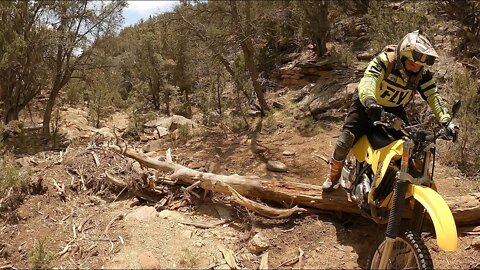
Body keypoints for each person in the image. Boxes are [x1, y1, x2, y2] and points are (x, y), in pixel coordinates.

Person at [322, 30, 460, 192]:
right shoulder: (384, 61)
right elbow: (368, 80)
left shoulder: (422, 75)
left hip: (395, 110)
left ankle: (396, 187)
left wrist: (446, 121)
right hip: (366, 106)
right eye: (412, 64)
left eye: (420, 66)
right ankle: (333, 175)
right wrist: (370, 102)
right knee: (345, 140)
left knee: (410, 147)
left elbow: (433, 96)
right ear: (402, 58)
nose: (415, 69)